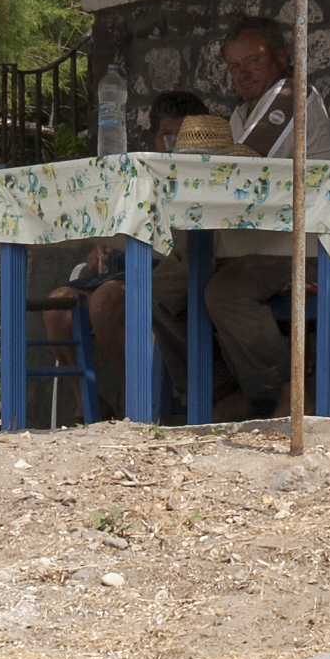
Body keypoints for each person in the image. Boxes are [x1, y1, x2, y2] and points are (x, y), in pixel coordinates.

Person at [148, 17, 330, 421]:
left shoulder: (292, 99)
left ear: (282, 57)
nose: (243, 73)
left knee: (224, 293)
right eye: (234, 66)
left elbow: (242, 169)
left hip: (299, 244)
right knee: (156, 291)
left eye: (252, 61)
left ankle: (290, 385)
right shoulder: (240, 116)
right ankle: (222, 391)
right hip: (245, 244)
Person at [77, 91, 212, 417]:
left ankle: (134, 403)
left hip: (162, 270)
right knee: (58, 307)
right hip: (121, 266)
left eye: (182, 137)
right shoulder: (138, 172)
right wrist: (99, 243)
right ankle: (90, 406)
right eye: (166, 135)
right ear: (154, 135)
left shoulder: (207, 176)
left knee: (106, 300)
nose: (172, 144)